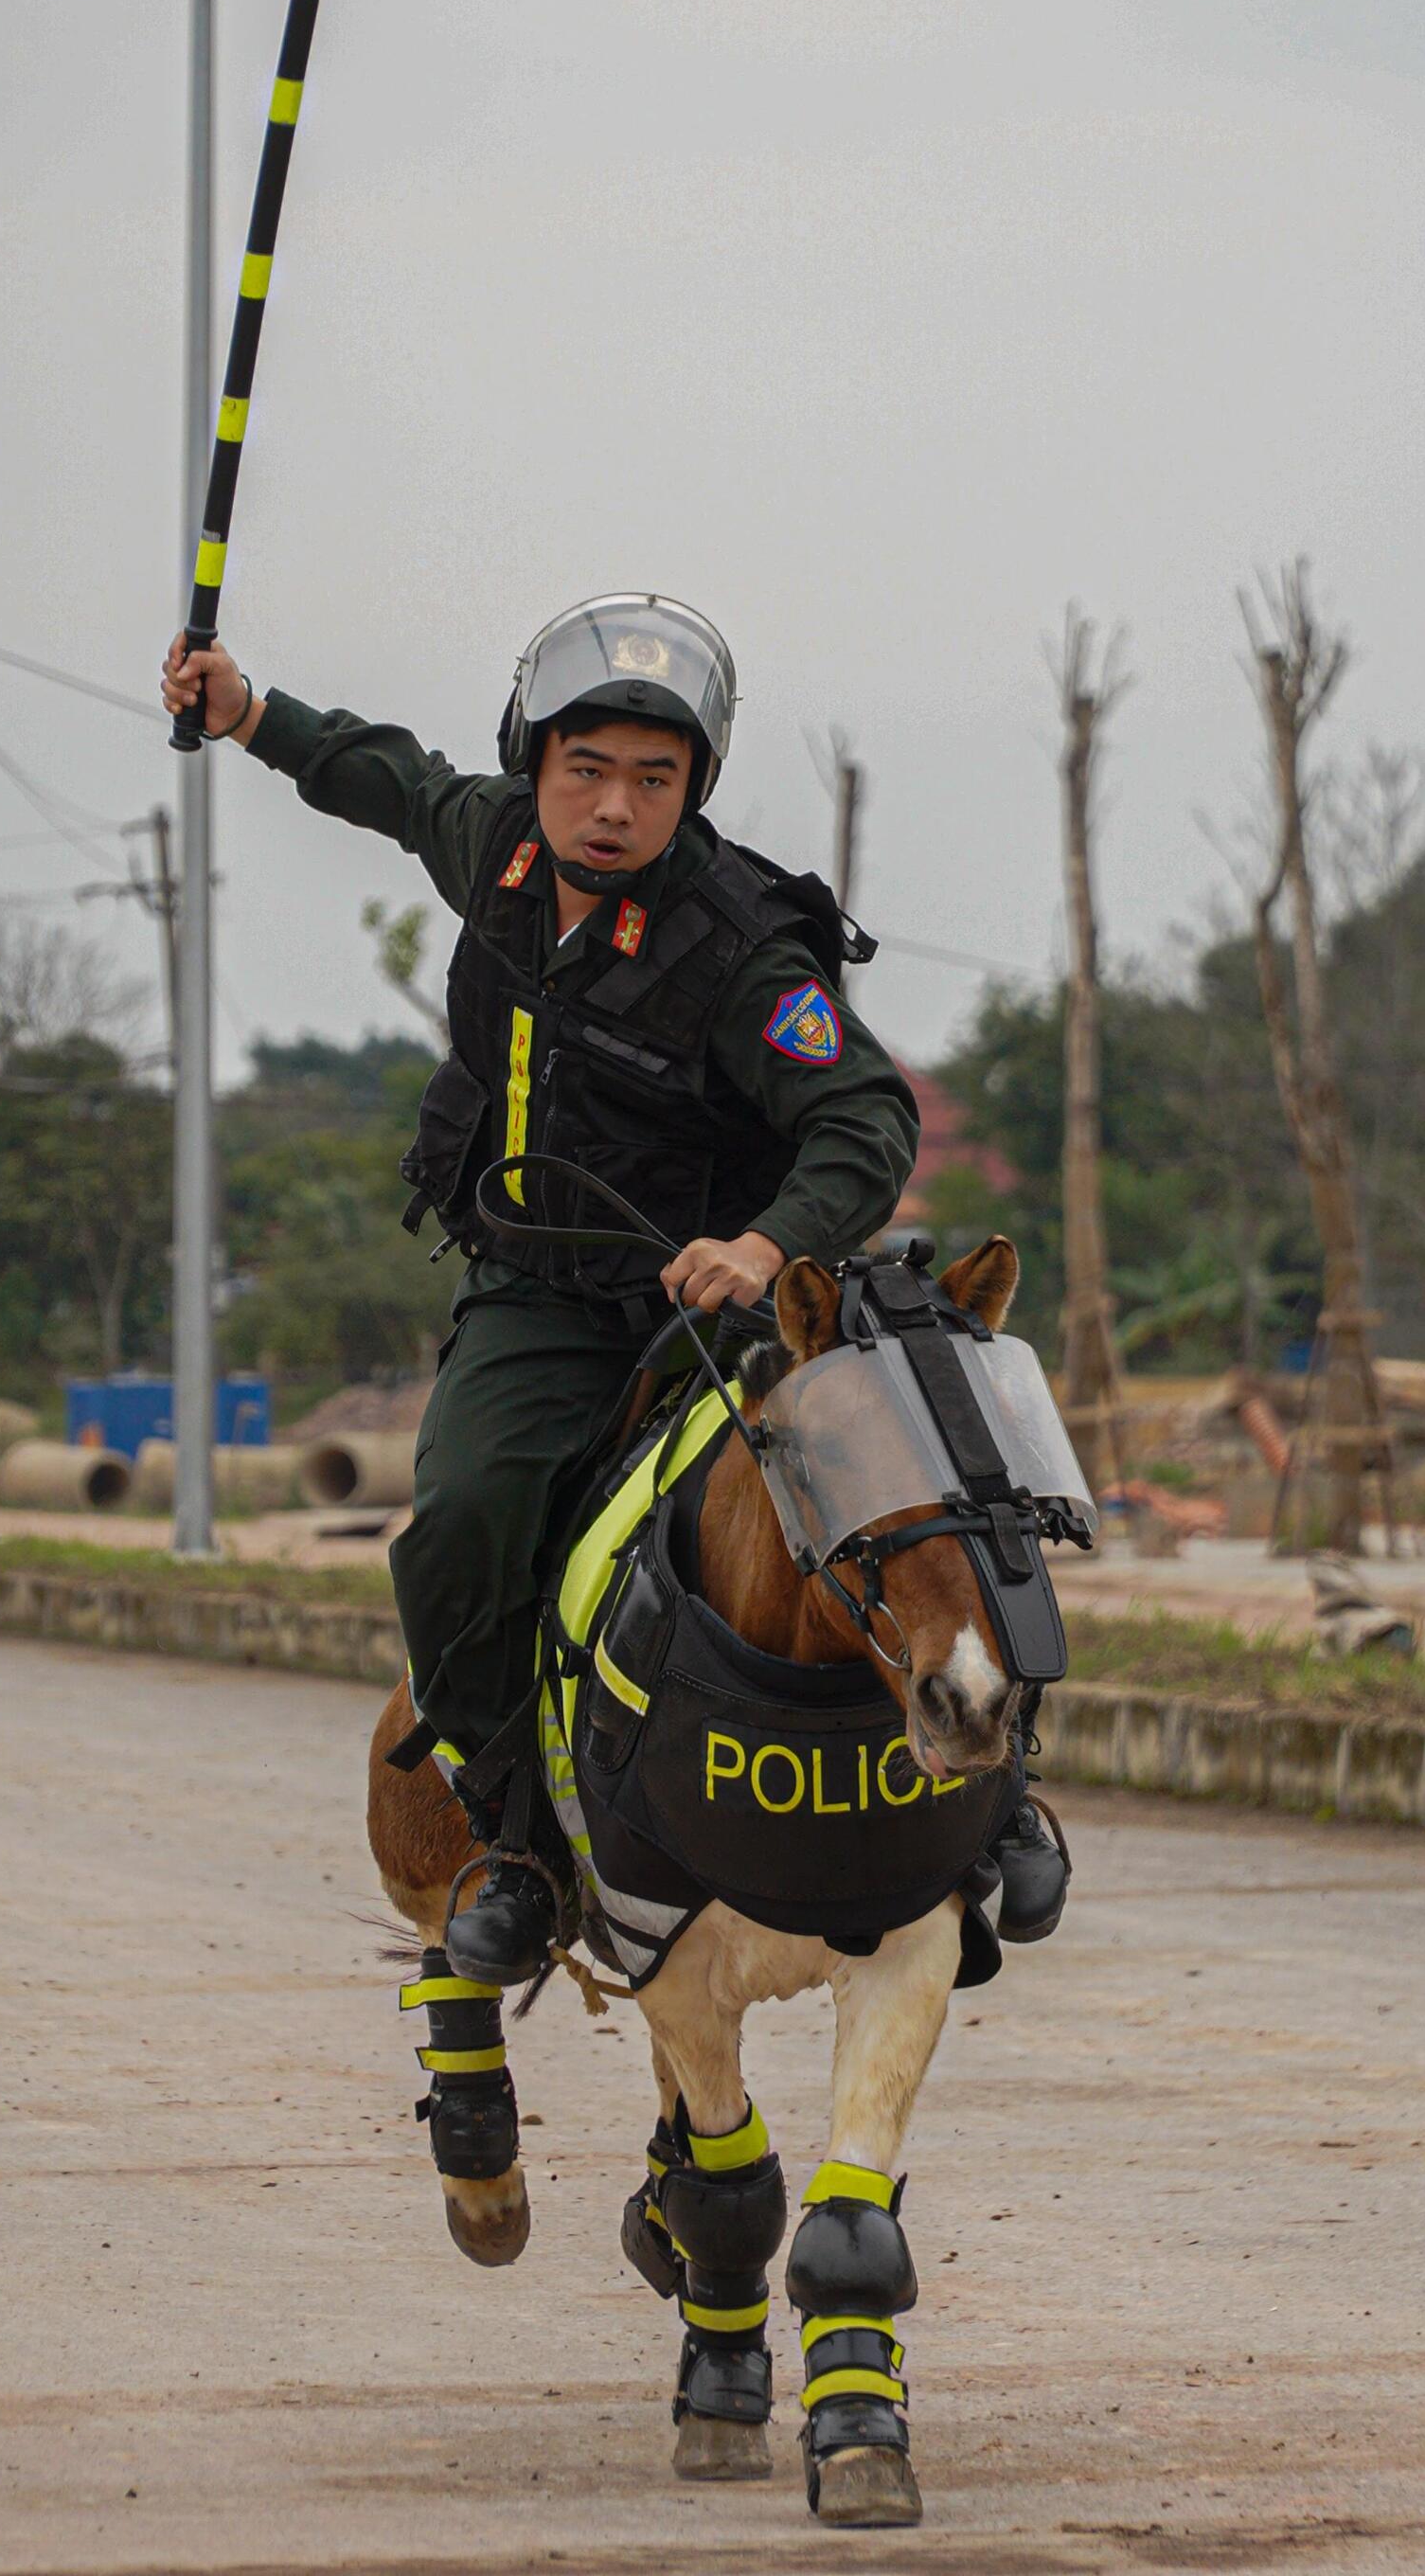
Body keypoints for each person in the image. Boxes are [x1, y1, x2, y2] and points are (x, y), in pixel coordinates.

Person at [161, 594, 1070, 1977]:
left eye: (655, 778)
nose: (613, 807)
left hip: (729, 1301)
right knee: (461, 1520)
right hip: (543, 1299)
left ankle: (1003, 1795)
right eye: (585, 768)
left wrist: (765, 1248)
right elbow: (390, 781)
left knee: (939, 1464)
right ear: (536, 762)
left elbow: (868, 1120)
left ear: (692, 790)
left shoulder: (746, 947)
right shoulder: (500, 853)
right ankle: (519, 1843)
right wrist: (247, 714)